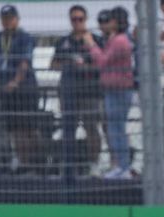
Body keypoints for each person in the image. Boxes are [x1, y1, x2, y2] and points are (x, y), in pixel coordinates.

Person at [52, 4, 104, 179]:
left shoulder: (94, 39)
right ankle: (68, 166)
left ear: (86, 19)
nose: (77, 22)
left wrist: (85, 66)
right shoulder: (64, 41)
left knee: (91, 127)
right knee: (68, 129)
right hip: (68, 91)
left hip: (90, 91)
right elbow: (53, 64)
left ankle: (94, 164)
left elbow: (102, 63)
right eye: (74, 19)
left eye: (80, 19)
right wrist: (69, 64)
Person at [0, 5, 40, 174]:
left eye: (10, 18)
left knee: (28, 127)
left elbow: (25, 62)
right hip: (6, 90)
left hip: (24, 89)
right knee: (14, 129)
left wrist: (15, 81)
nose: (7, 22)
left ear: (17, 19)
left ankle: (34, 162)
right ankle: (21, 161)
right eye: (4, 18)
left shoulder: (24, 37)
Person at [88, 6, 134, 179]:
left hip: (119, 91)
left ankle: (123, 166)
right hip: (111, 90)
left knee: (117, 128)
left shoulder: (120, 40)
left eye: (112, 19)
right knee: (114, 129)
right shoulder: (114, 39)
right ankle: (120, 165)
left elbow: (102, 61)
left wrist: (91, 45)